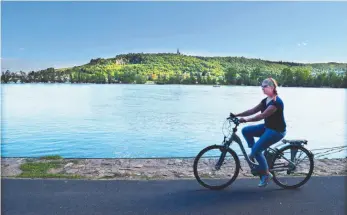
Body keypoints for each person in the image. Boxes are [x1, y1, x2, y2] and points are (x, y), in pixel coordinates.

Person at [234, 77, 286, 187]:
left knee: (257, 151)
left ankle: (266, 175)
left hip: (276, 131)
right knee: (246, 130)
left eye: (265, 86)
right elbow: (253, 110)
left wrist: (246, 120)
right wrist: (237, 115)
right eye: (261, 87)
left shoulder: (276, 102)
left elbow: (262, 115)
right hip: (267, 127)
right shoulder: (266, 100)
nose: (262, 88)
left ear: (272, 87)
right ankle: (254, 152)